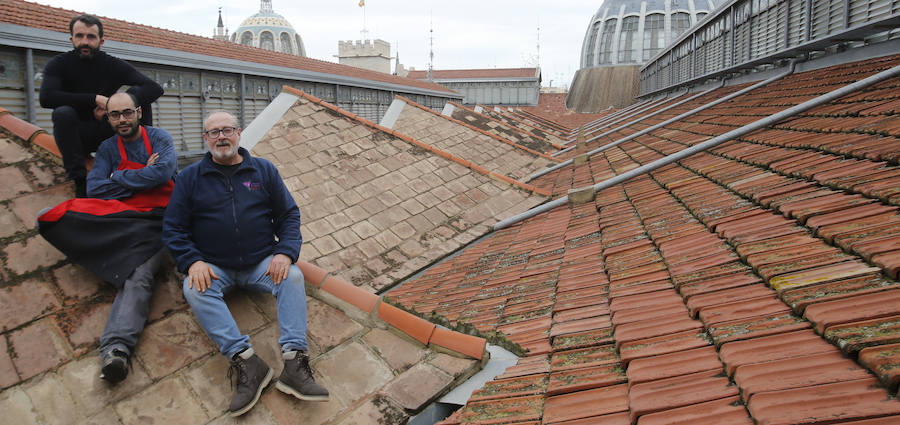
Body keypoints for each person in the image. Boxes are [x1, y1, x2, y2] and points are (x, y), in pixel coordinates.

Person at [162, 111, 328, 417]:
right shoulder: (189, 178)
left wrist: (285, 252)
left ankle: (294, 362)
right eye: (214, 132)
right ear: (205, 139)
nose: (221, 137)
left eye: (227, 130)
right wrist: (192, 261)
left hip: (261, 262)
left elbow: (289, 215)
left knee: (292, 276)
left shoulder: (263, 170)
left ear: (239, 133)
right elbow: (173, 227)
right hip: (215, 267)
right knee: (194, 289)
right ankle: (248, 362)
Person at [38, 92, 177, 384]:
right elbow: (95, 189)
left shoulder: (160, 138)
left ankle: (117, 349)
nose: (122, 119)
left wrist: (118, 178)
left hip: (158, 222)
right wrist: (142, 174)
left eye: (127, 113)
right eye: (115, 115)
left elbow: (164, 174)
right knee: (50, 216)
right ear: (108, 117)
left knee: (138, 273)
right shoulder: (107, 148)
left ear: (138, 112)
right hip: (122, 218)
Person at [39, 14, 163, 197]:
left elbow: (154, 88)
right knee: (62, 113)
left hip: (110, 129)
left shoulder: (111, 64)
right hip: (78, 136)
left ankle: (145, 164)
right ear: (71, 39)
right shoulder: (58, 64)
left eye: (91, 37)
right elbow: (46, 98)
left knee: (139, 101)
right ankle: (80, 183)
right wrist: (95, 99)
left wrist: (114, 106)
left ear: (101, 41)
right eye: (79, 36)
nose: (85, 42)